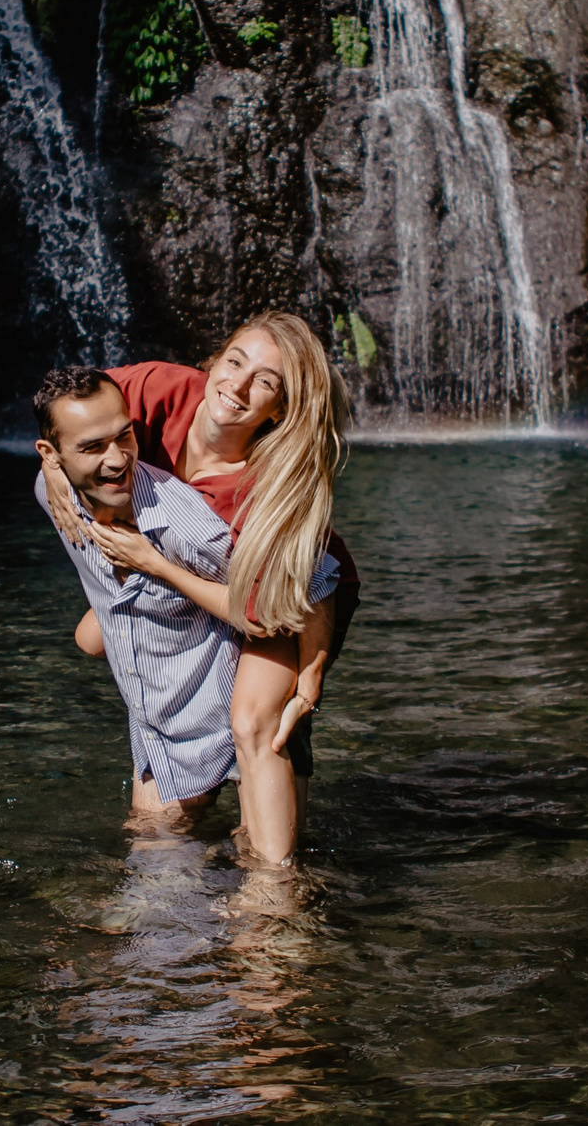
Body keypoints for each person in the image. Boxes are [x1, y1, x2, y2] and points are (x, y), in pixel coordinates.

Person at [44, 313, 358, 868]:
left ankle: (273, 894)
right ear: (214, 361)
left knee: (256, 722)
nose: (237, 386)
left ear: (280, 407)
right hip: (197, 570)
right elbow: (69, 414)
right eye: (235, 362)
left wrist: (312, 671)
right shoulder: (157, 389)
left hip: (292, 596)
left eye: (265, 381)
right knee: (91, 641)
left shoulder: (269, 484)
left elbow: (265, 614)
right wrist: (47, 468)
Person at [31, 365, 245, 833]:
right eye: (91, 447)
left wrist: (307, 678)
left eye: (124, 437)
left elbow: (290, 595)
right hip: (153, 718)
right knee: (155, 869)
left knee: (258, 880)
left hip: (218, 715)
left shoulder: (184, 527)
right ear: (51, 455)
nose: (115, 459)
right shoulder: (52, 493)